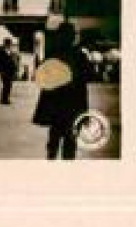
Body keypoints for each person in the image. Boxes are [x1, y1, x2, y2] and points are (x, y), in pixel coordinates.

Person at [32, 24, 93, 160]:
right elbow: (89, 75)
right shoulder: (79, 55)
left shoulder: (52, 54)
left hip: (55, 108)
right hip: (73, 107)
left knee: (54, 141)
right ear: (72, 37)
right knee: (70, 144)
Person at [0, 37, 18, 105]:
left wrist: (15, 69)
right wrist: (1, 71)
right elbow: (0, 62)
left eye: (10, 44)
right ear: (6, 44)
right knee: (6, 85)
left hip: (10, 71)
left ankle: (6, 98)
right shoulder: (2, 52)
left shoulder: (10, 51)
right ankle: (4, 99)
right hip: (5, 71)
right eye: (9, 44)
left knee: (9, 85)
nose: (10, 45)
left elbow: (13, 61)